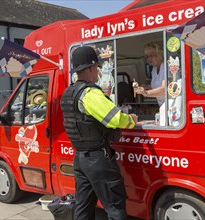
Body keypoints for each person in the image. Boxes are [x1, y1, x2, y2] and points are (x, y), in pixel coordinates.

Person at [60, 46, 137, 220]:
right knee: (115, 208)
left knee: (83, 206)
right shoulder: (90, 94)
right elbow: (116, 119)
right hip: (98, 158)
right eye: (98, 69)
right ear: (92, 68)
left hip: (80, 158)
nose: (98, 73)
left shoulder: (69, 93)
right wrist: (131, 119)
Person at [135, 42, 165, 106]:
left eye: (151, 55)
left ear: (158, 54)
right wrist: (147, 88)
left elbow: (165, 90)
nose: (149, 59)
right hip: (162, 106)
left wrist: (146, 93)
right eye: (147, 56)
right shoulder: (154, 69)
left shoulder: (166, 67)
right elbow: (157, 86)